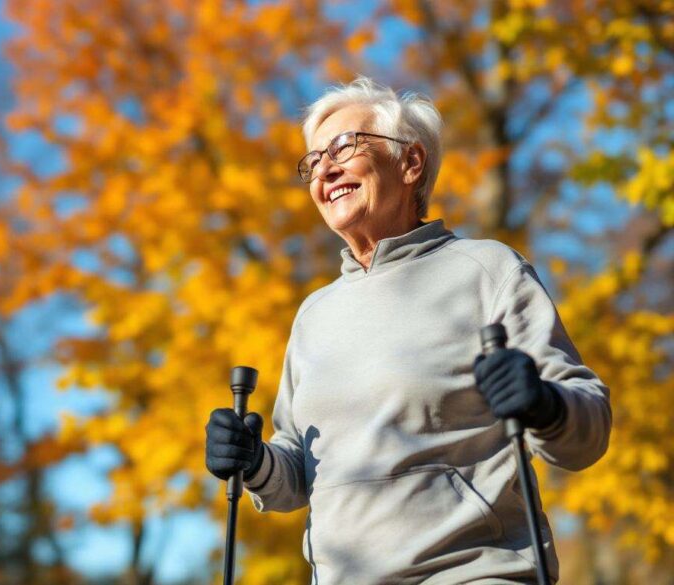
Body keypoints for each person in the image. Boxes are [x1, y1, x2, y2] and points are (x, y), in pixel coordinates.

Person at [204, 77, 612, 584]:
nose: (324, 170)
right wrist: (254, 461)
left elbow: (586, 431)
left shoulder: (487, 271)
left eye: (343, 147)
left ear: (410, 162)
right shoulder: (314, 314)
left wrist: (545, 403)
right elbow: (298, 476)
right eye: (312, 163)